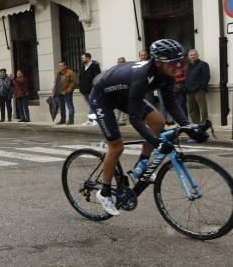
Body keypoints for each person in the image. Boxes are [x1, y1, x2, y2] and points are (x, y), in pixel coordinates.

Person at [87, 38, 205, 216]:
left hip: (124, 94)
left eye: (180, 61)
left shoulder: (166, 74)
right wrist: (156, 142)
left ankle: (140, 166)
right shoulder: (141, 77)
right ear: (158, 62)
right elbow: (135, 119)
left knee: (158, 121)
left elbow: (171, 104)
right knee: (116, 146)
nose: (178, 66)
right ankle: (104, 193)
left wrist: (189, 126)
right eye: (173, 62)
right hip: (102, 97)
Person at [186, 49, 210, 123]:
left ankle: (204, 124)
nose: (193, 56)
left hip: (199, 90)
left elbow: (206, 77)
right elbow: (186, 77)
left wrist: (202, 87)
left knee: (203, 108)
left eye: (194, 54)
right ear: (188, 56)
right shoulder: (188, 66)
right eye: (191, 55)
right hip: (189, 91)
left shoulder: (203, 64)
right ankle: (196, 124)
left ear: (198, 55)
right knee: (192, 110)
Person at [78, 52, 101, 125]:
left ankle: (94, 120)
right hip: (84, 90)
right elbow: (80, 78)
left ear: (88, 58)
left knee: (93, 104)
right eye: (82, 58)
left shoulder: (95, 66)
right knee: (90, 105)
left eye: (83, 58)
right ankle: (91, 120)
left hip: (92, 89)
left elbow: (97, 77)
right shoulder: (82, 67)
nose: (82, 59)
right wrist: (80, 88)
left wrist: (94, 86)